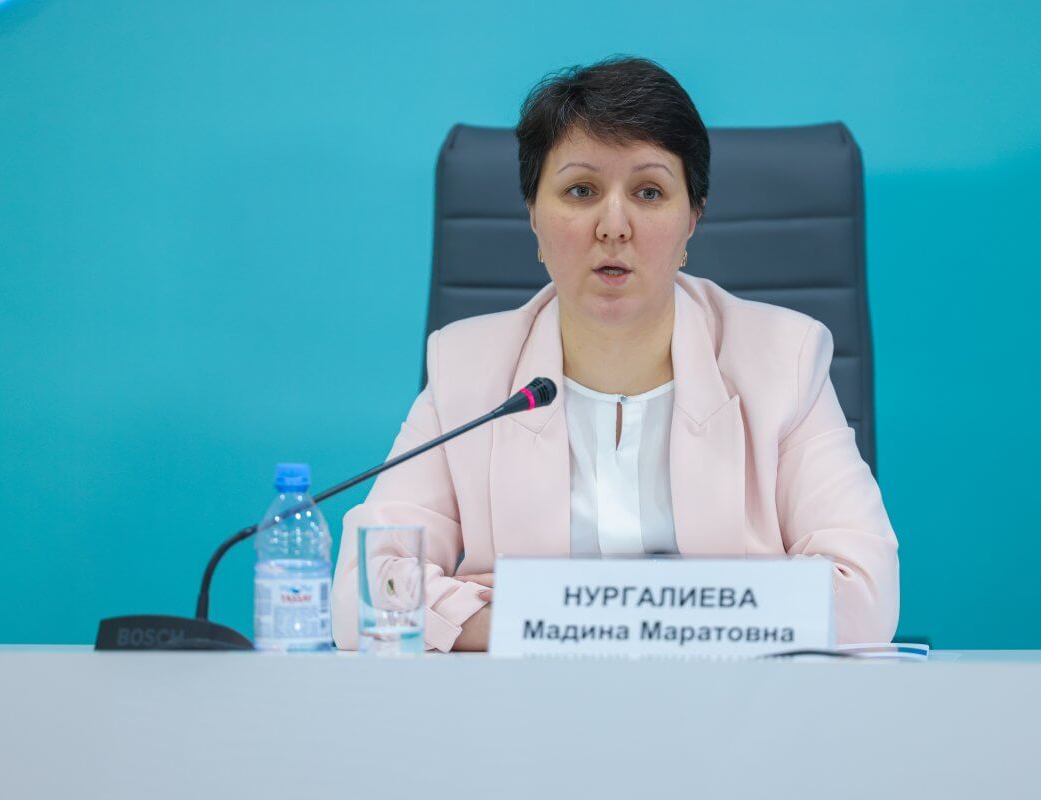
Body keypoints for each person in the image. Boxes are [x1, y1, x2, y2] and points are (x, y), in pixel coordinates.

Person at [332, 56, 899, 652]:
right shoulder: (466, 370)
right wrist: (556, 624)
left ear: (693, 218)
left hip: (733, 702)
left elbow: (864, 595)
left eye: (649, 192)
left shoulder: (785, 360)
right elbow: (363, 591)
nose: (613, 226)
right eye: (581, 191)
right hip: (527, 703)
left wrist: (555, 615)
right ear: (532, 214)